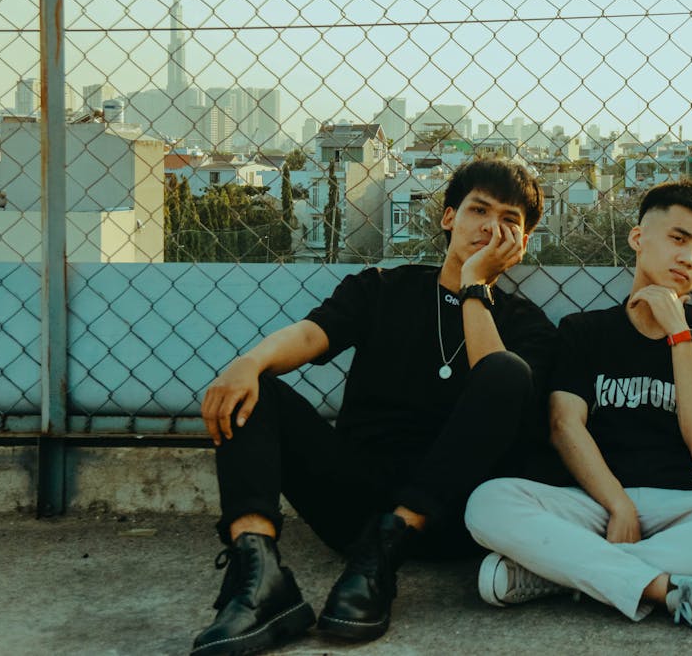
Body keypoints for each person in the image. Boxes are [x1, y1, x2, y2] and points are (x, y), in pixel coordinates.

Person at [190, 157, 555, 656]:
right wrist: (249, 362)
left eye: (510, 222)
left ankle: (385, 554)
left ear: (522, 244)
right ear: (449, 217)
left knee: (509, 371)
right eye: (479, 210)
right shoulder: (383, 288)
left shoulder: (527, 325)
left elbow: (497, 381)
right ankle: (258, 575)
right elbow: (312, 336)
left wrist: (475, 286)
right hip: (353, 503)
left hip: (450, 515)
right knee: (257, 389)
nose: (491, 227)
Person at [464, 180, 692, 636]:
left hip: (685, 505)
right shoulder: (584, 330)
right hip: (594, 501)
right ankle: (665, 587)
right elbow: (564, 426)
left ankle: (556, 575)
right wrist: (617, 505)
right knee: (488, 502)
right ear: (639, 238)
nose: (688, 258)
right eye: (678, 239)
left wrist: (679, 334)